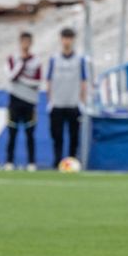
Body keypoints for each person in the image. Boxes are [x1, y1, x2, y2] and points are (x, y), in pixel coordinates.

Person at [46, 26, 89, 165]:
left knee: (73, 136)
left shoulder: (80, 59)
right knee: (57, 136)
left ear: (73, 40)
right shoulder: (54, 59)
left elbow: (83, 81)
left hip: (73, 103)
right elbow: (49, 81)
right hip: (57, 103)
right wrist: (50, 101)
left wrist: (82, 101)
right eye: (65, 38)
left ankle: (72, 162)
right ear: (61, 39)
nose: (67, 41)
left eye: (69, 38)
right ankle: (57, 162)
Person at [4, 31, 42, 170]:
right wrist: (21, 63)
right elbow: (10, 76)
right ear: (20, 42)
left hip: (30, 100)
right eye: (23, 41)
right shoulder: (13, 58)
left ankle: (31, 163)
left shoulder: (36, 60)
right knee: (12, 133)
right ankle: (9, 162)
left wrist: (22, 79)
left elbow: (37, 82)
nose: (25, 44)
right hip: (14, 99)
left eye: (28, 42)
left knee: (30, 134)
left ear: (31, 43)